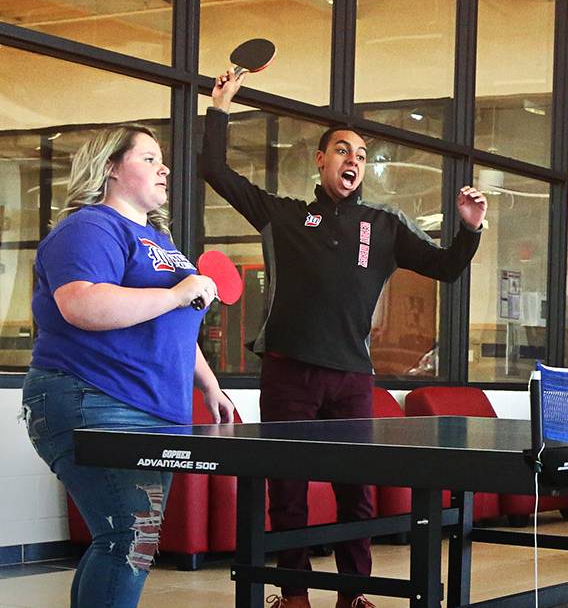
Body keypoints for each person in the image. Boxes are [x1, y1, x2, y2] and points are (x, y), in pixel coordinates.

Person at [204, 71, 487, 608]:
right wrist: (219, 109)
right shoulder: (282, 215)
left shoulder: (385, 225)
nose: (351, 160)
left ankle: (352, 594)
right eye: (341, 150)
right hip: (288, 370)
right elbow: (214, 170)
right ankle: (293, 594)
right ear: (320, 159)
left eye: (359, 153)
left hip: (352, 377)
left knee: (355, 491)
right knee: (287, 490)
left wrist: (469, 230)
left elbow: (448, 269)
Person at [23, 125, 237, 608]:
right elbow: (82, 304)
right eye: (148, 158)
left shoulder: (158, 239)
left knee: (127, 539)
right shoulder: (91, 226)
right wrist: (177, 292)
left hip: (153, 407)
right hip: (92, 397)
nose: (164, 168)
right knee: (129, 539)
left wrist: (209, 384)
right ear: (111, 168)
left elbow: (169, 324)